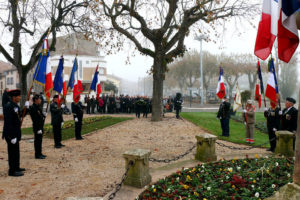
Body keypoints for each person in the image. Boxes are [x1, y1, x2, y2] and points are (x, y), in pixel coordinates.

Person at [2, 89, 27, 176]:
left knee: (16, 151)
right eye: (18, 96)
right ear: (14, 97)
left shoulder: (15, 105)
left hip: (15, 132)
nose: (19, 97)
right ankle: (12, 171)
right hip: (10, 133)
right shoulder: (9, 106)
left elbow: (19, 115)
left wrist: (26, 109)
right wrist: (12, 136)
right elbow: (8, 122)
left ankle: (16, 167)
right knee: (12, 152)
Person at [28, 94, 47, 159]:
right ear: (36, 100)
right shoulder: (33, 107)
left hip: (40, 126)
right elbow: (35, 119)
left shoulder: (38, 106)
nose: (40, 100)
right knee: (37, 141)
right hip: (37, 127)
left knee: (40, 140)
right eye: (39, 99)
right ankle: (37, 154)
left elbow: (40, 116)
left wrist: (44, 115)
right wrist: (38, 128)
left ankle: (40, 153)